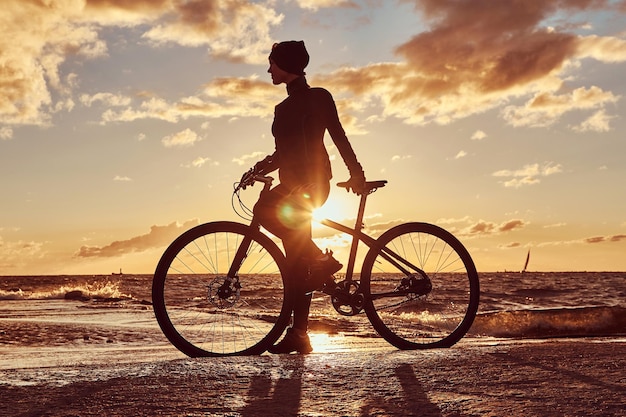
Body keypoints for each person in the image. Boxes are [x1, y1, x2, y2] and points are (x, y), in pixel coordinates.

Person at [242, 40, 366, 354]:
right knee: (298, 262)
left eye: (272, 62)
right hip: (292, 187)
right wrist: (257, 168)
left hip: (313, 186)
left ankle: (322, 261)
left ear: (285, 64)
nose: (268, 68)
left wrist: (356, 173)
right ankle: (299, 334)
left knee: (264, 209)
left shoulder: (318, 97)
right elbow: (283, 153)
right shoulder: (282, 107)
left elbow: (338, 135)